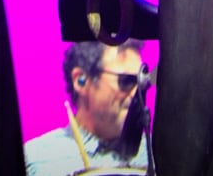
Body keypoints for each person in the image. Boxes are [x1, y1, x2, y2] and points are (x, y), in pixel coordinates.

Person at [22, 39, 153, 175]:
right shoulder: (37, 160)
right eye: (126, 81)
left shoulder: (158, 154)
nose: (136, 93)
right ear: (81, 80)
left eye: (141, 82)